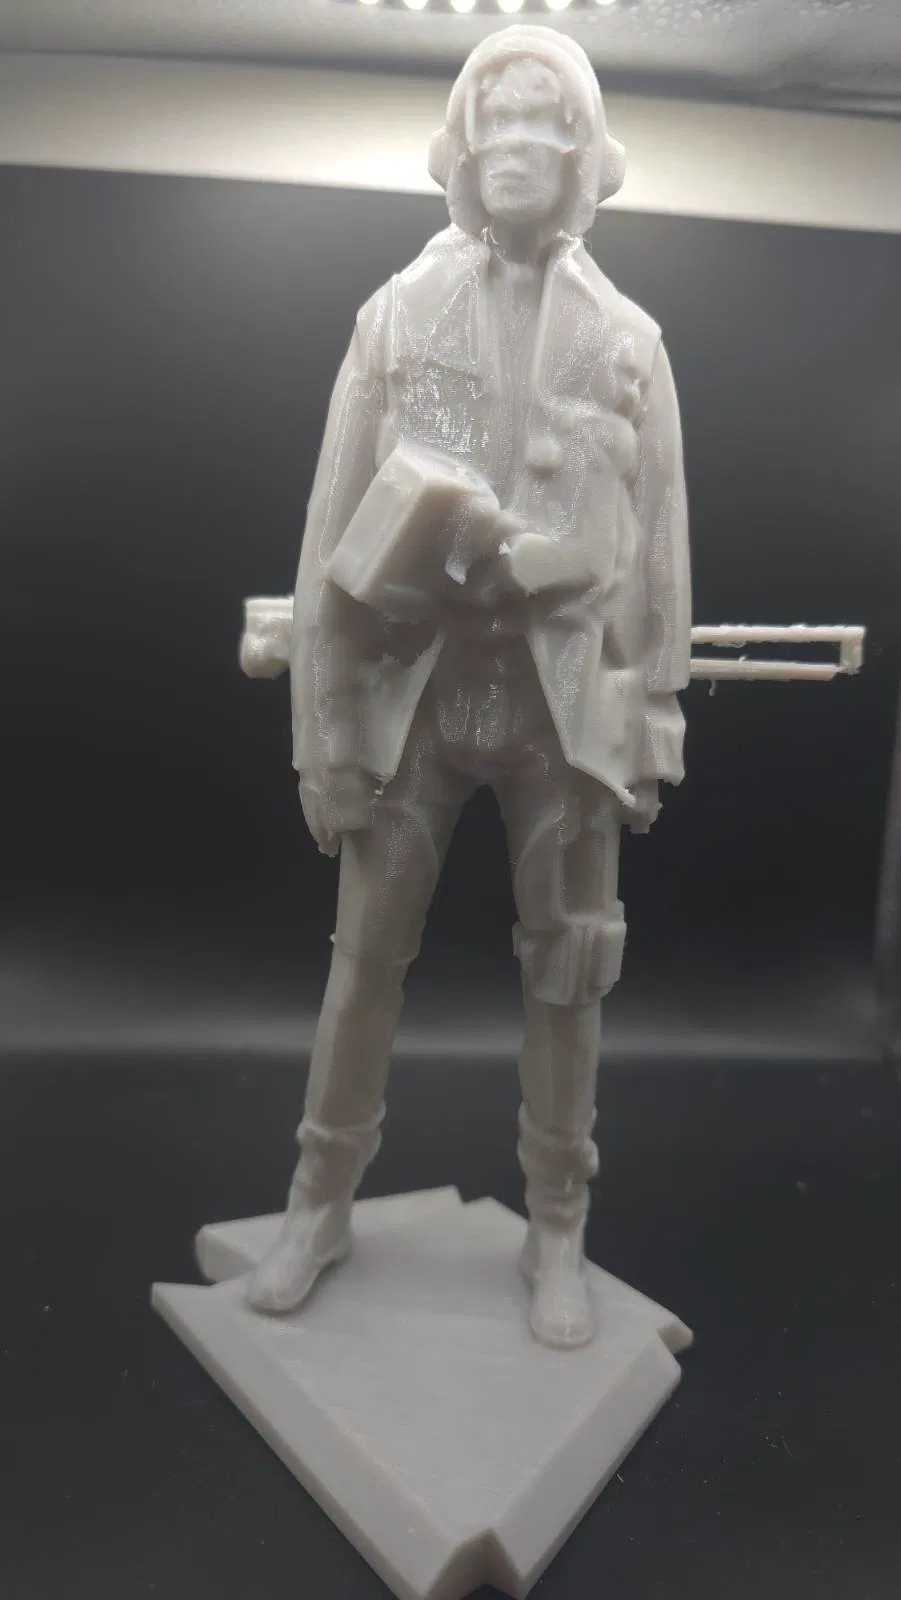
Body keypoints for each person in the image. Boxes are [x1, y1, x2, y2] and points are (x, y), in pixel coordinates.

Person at [247, 24, 691, 1349]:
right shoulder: (396, 315)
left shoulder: (628, 342)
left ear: (581, 155)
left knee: (570, 974)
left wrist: (653, 719)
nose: (513, 144)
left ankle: (559, 1223)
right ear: (461, 142)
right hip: (416, 692)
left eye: (542, 122)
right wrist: (324, 731)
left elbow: (660, 551)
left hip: (565, 706)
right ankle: (319, 1200)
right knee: (364, 962)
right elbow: (330, 535)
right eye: (493, 118)